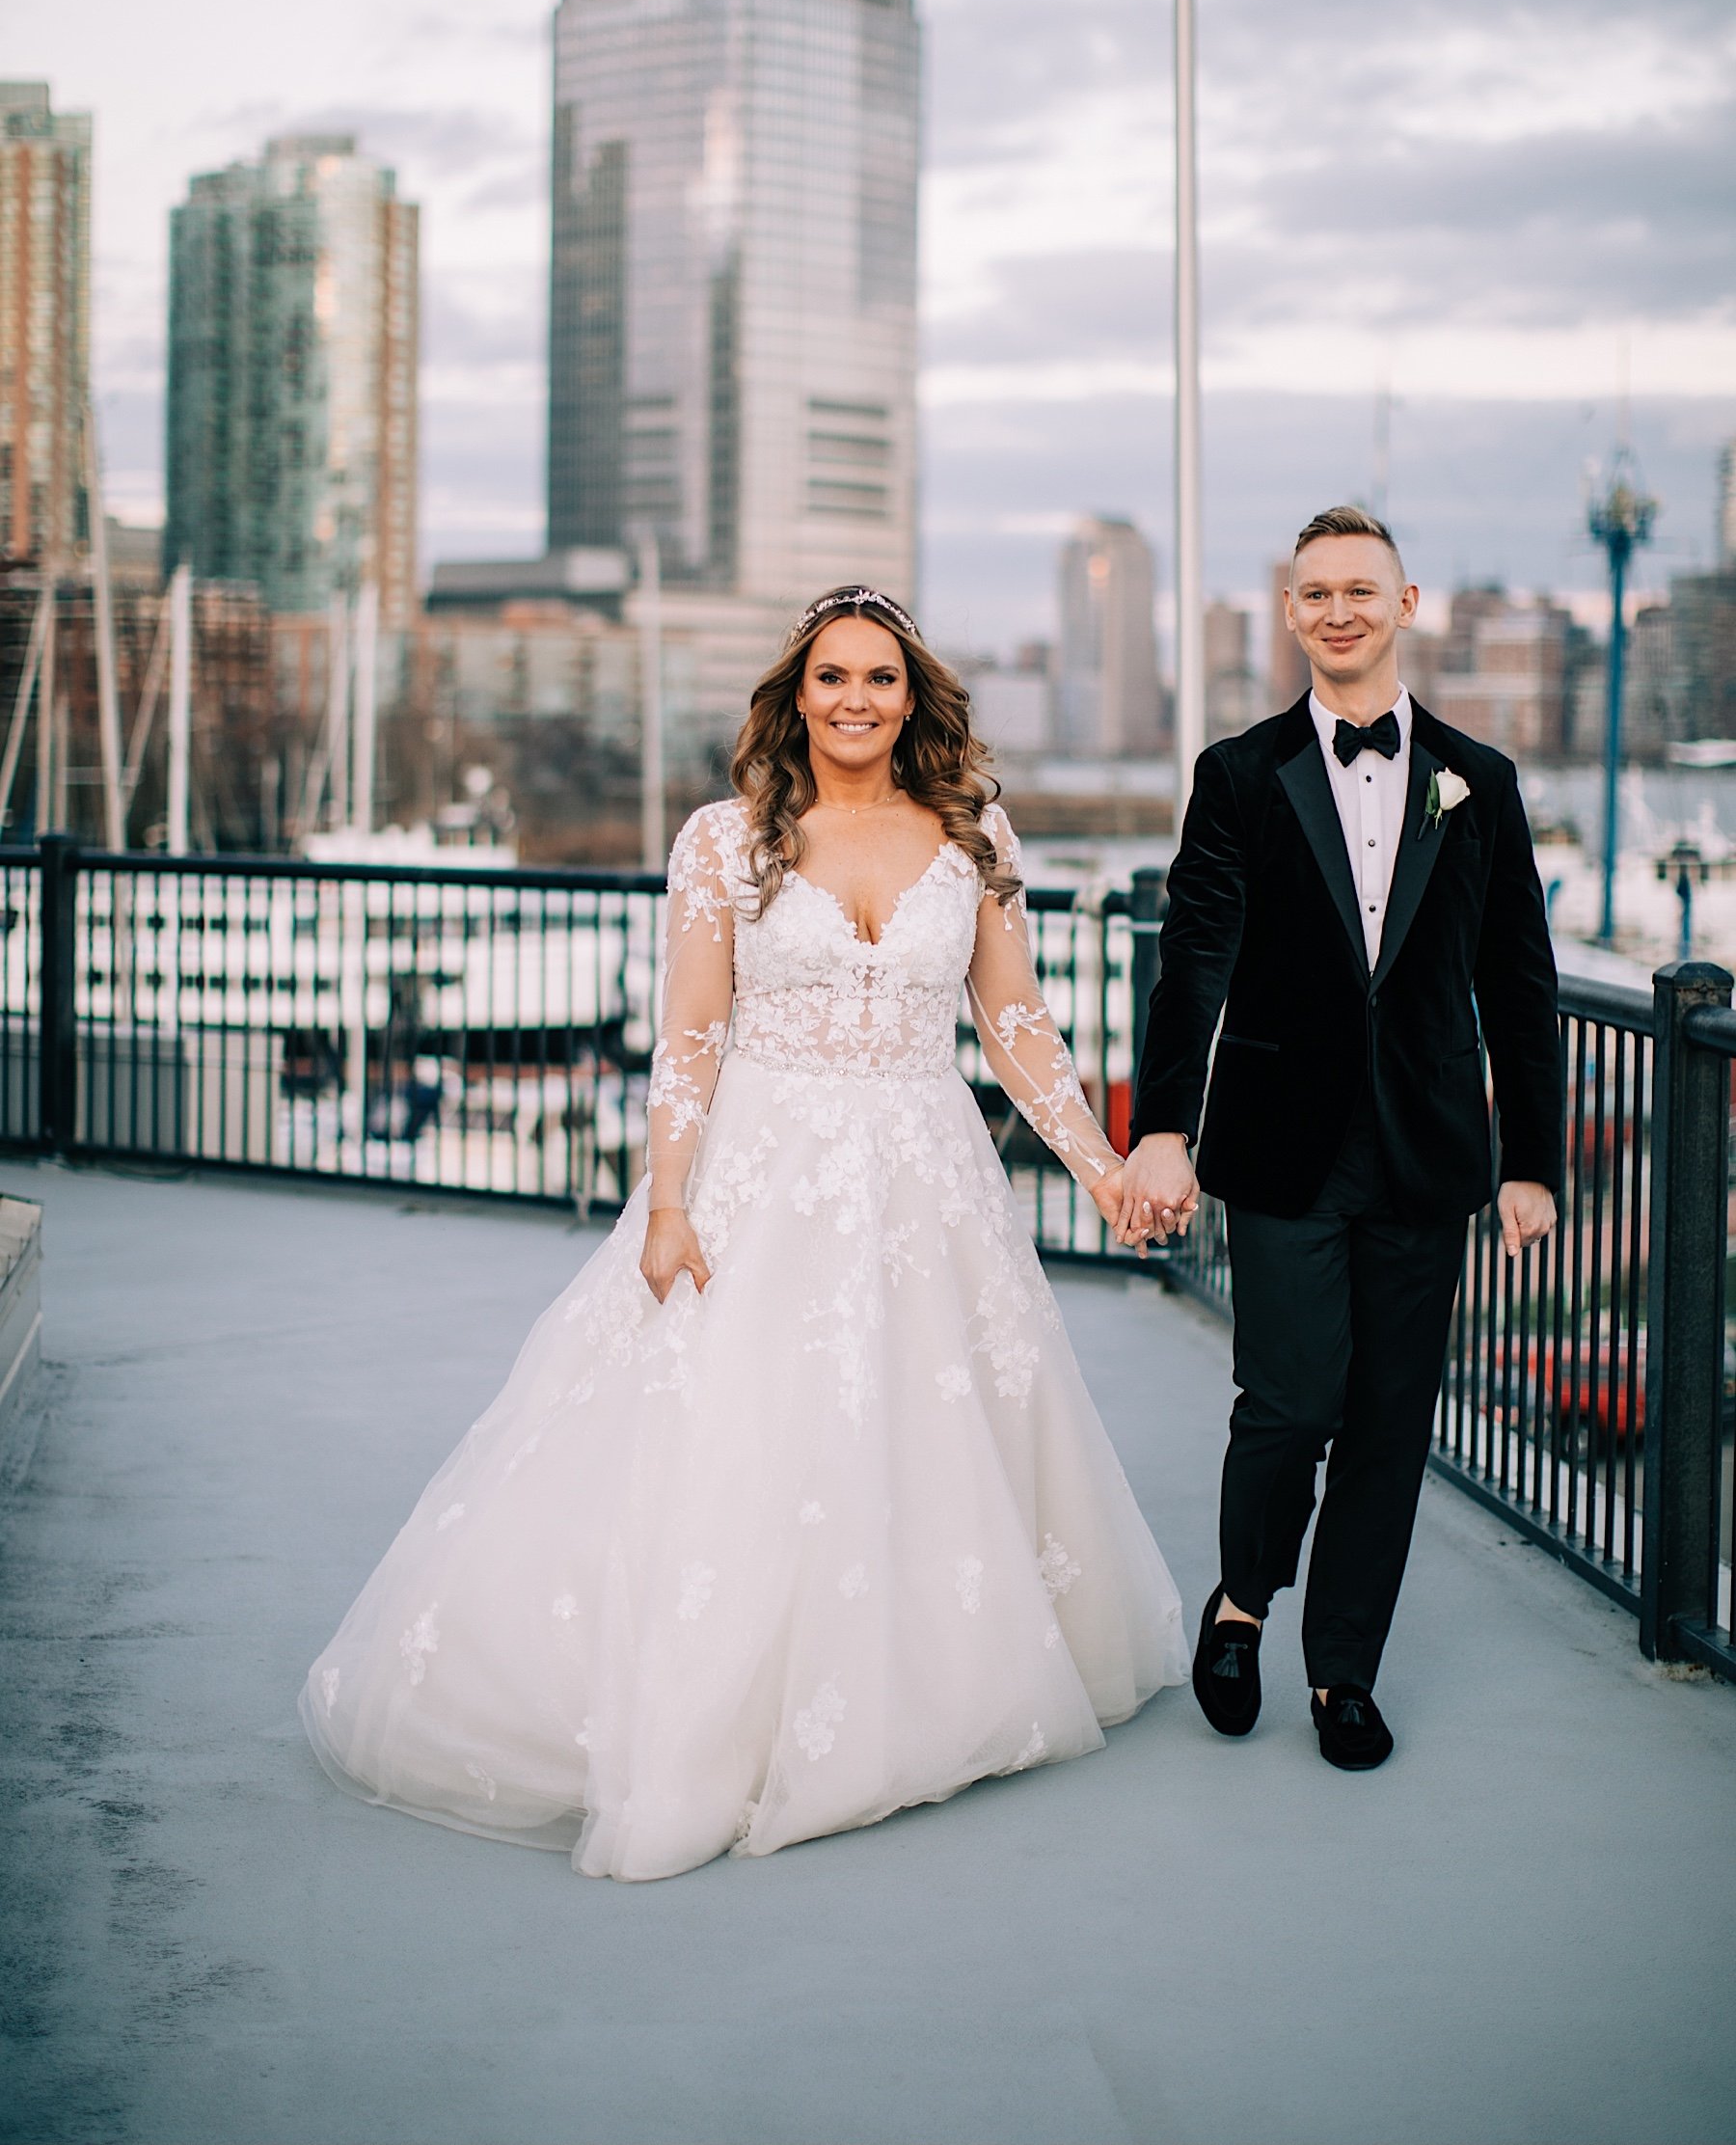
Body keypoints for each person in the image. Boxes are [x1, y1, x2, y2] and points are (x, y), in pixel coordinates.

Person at [301, 585, 1186, 1881]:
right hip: (764, 1170)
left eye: (880, 678)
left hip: (927, 1169)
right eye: (833, 677)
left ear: (913, 695)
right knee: (749, 1430)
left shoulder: (971, 831)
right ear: (796, 692)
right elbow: (692, 1035)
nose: (855, 700)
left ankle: (925, 1688)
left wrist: (1103, 1171)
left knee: (921, 1424)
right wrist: (667, 1202)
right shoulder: (726, 838)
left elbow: (1017, 1025)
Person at [1118, 507, 1561, 1769]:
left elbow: (1520, 981)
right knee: (1290, 1398)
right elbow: (1193, 961)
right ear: (1293, 612)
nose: (1338, 610)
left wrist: (1531, 1158)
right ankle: (1244, 1602)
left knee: (1388, 1420)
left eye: (1360, 589)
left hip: (1424, 1150)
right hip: (1280, 1146)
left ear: (1406, 603)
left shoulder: (1484, 781)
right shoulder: (1240, 776)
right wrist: (1163, 1129)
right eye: (1314, 592)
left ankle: (1345, 1675)